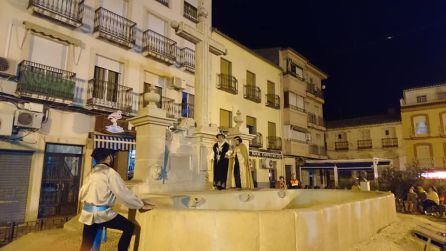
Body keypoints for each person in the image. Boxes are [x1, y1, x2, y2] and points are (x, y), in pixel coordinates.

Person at [79, 148, 153, 251]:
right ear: (109, 157)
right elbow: (123, 193)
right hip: (102, 214)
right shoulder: (109, 172)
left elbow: (82, 193)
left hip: (87, 212)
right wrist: (140, 204)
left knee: (86, 244)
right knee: (129, 227)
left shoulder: (91, 172)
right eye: (112, 156)